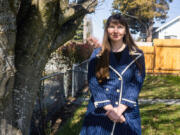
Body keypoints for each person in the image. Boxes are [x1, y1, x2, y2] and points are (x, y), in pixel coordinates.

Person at [80, 14, 145, 135]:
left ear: (125, 31)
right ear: (107, 30)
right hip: (101, 111)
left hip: (126, 111)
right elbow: (93, 83)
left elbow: (136, 83)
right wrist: (110, 110)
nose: (116, 31)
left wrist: (119, 111)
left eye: (120, 27)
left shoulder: (137, 55)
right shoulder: (97, 54)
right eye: (112, 27)